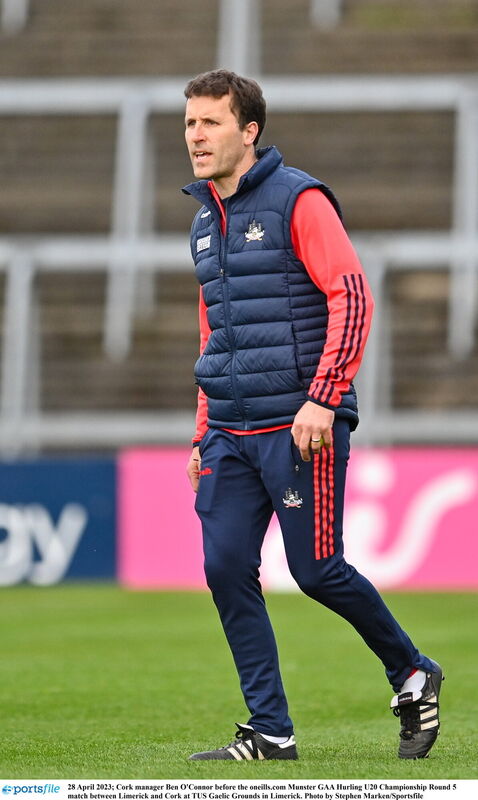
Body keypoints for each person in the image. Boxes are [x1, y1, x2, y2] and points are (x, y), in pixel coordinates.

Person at [183, 69, 443, 762]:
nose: (196, 136)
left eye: (210, 122)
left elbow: (352, 297)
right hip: (231, 432)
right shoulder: (204, 221)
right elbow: (218, 333)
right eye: (189, 123)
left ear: (249, 131)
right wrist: (204, 428)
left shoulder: (298, 198)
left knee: (318, 569)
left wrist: (323, 398)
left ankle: (413, 672)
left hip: (300, 424)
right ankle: (271, 730)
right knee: (224, 566)